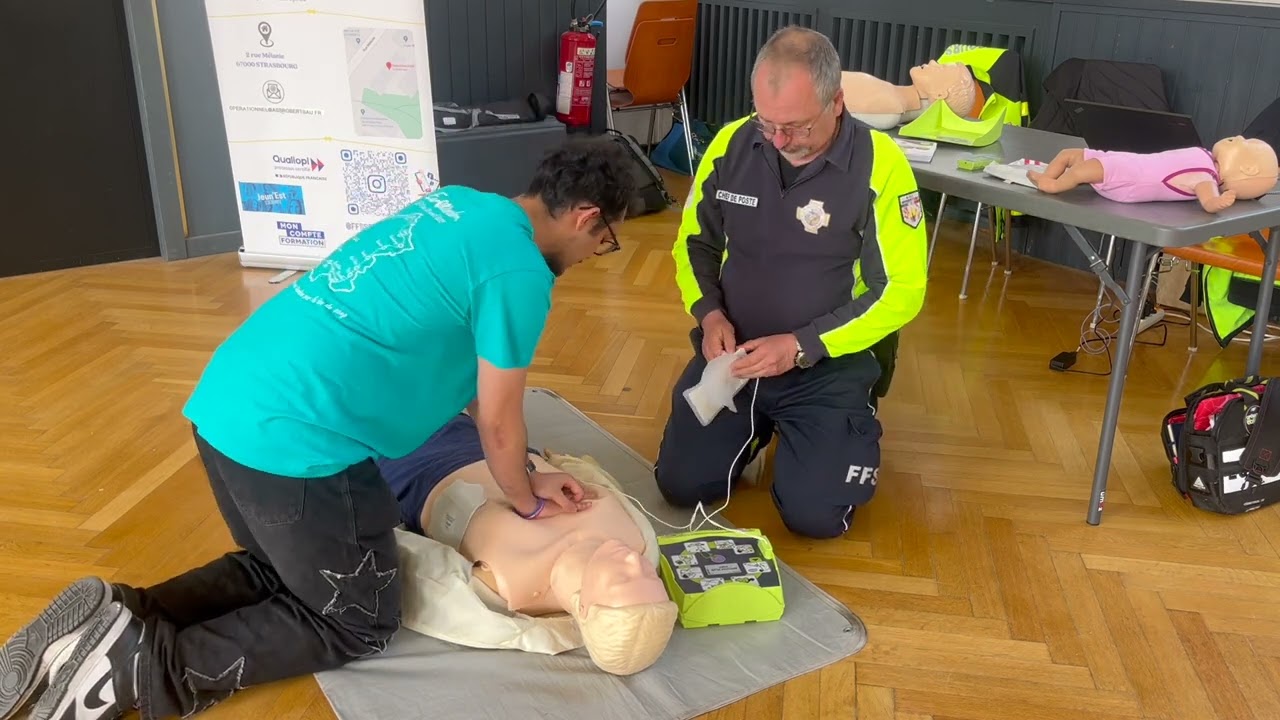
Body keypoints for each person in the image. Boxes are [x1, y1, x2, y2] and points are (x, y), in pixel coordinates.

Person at [0, 136, 638, 720]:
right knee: (358, 620)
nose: (594, 256)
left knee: (282, 570)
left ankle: (121, 619)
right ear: (587, 217)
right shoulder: (522, 273)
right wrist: (526, 497)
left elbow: (471, 382)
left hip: (230, 400)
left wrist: (526, 469)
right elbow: (499, 420)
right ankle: (145, 670)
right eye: (604, 241)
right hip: (296, 443)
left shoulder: (458, 205)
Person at [656, 26, 928, 540]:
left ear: (838, 102)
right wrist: (708, 313)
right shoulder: (732, 143)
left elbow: (902, 290)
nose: (780, 141)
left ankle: (816, 434)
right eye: (768, 123)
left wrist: (803, 346)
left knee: (815, 518)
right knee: (681, 486)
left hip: (828, 366)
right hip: (734, 358)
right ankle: (754, 433)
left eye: (797, 127)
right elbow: (693, 243)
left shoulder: (882, 164)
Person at [375, 412, 678, 675]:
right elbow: (596, 480)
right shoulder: (635, 539)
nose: (632, 562)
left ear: (584, 608)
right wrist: (552, 464)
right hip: (488, 437)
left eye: (622, 579)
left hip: (412, 464)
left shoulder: (506, 586)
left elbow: (416, 570)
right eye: (649, 574)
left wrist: (544, 634)